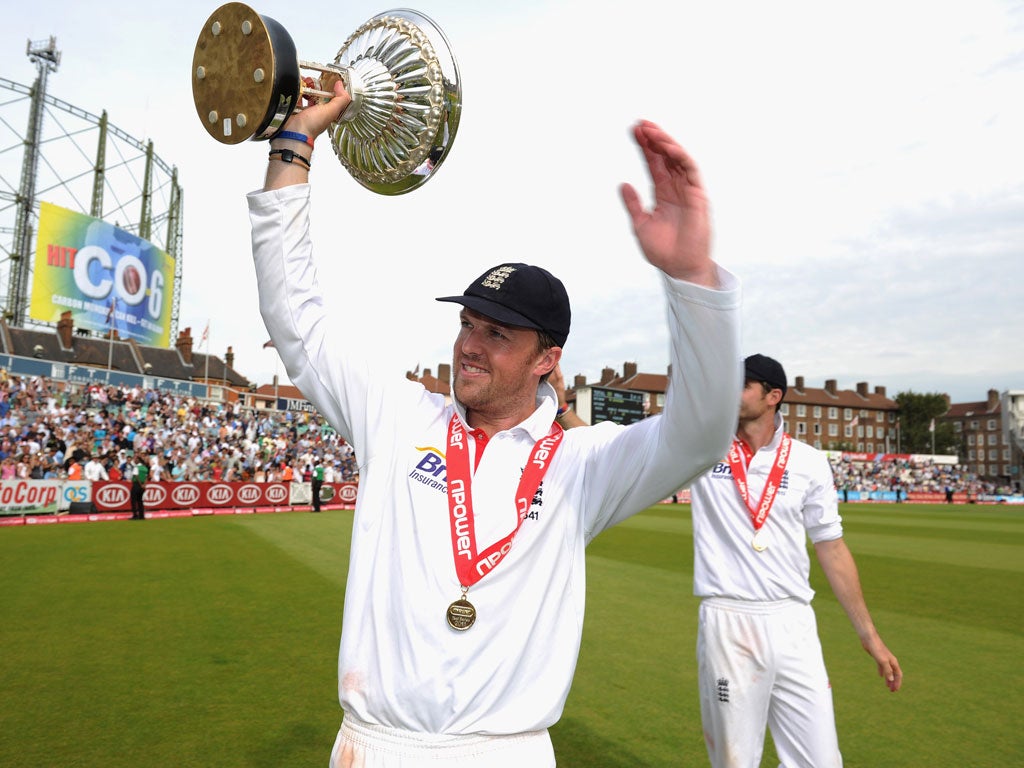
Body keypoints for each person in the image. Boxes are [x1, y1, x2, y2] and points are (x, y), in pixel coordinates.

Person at [247, 79, 742, 767]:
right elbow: (293, 316)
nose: (470, 345)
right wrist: (295, 144)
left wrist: (692, 280)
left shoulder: (581, 464)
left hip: (506, 752)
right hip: (376, 747)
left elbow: (701, 432)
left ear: (549, 360)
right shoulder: (396, 416)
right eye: (467, 324)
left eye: (499, 335)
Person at [688, 354, 902, 768]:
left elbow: (833, 549)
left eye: (743, 384)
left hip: (793, 622)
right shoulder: (703, 447)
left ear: (773, 396)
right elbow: (623, 455)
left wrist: (870, 636)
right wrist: (566, 409)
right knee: (735, 761)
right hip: (729, 620)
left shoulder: (807, 461)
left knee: (821, 761)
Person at [129, 454, 149, 520]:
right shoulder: (145, 468)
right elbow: (146, 477)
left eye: (136, 459)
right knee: (140, 501)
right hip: (142, 485)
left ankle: (135, 515)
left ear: (138, 460)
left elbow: (136, 476)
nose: (135, 460)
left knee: (133, 500)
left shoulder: (136, 467)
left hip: (136, 485)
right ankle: (141, 515)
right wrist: (144, 485)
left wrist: (140, 484)